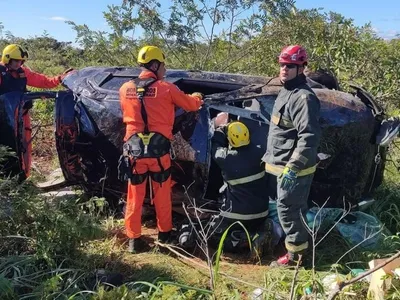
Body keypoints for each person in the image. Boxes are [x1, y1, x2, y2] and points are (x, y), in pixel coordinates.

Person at [118, 45, 204, 253]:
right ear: (155, 65)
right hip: (158, 153)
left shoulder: (124, 89)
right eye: (163, 65)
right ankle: (164, 235)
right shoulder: (167, 88)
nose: (164, 69)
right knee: (162, 194)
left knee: (134, 196)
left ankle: (133, 240)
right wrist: (198, 97)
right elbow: (191, 105)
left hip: (135, 152)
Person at [262, 45, 321, 266]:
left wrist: (293, 167)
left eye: (290, 66)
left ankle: (295, 259)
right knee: (294, 210)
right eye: (282, 65)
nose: (284, 69)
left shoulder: (303, 98)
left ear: (301, 68)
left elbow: (309, 137)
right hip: (281, 165)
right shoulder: (287, 91)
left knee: (287, 211)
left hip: (294, 169)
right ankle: (301, 247)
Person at [180, 114, 271, 255]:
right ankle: (257, 233)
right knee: (246, 225)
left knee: (214, 238)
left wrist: (220, 129)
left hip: (236, 213)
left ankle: (245, 240)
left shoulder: (226, 157)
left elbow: (214, 145)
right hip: (262, 212)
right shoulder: (259, 152)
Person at [0, 44, 74, 178]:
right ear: (7, 59)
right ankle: (6, 180)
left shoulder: (23, 73)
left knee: (24, 147)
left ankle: (23, 177)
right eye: (16, 61)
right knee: (6, 148)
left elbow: (44, 81)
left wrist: (60, 78)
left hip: (21, 116)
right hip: (3, 119)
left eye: (21, 61)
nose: (19, 64)